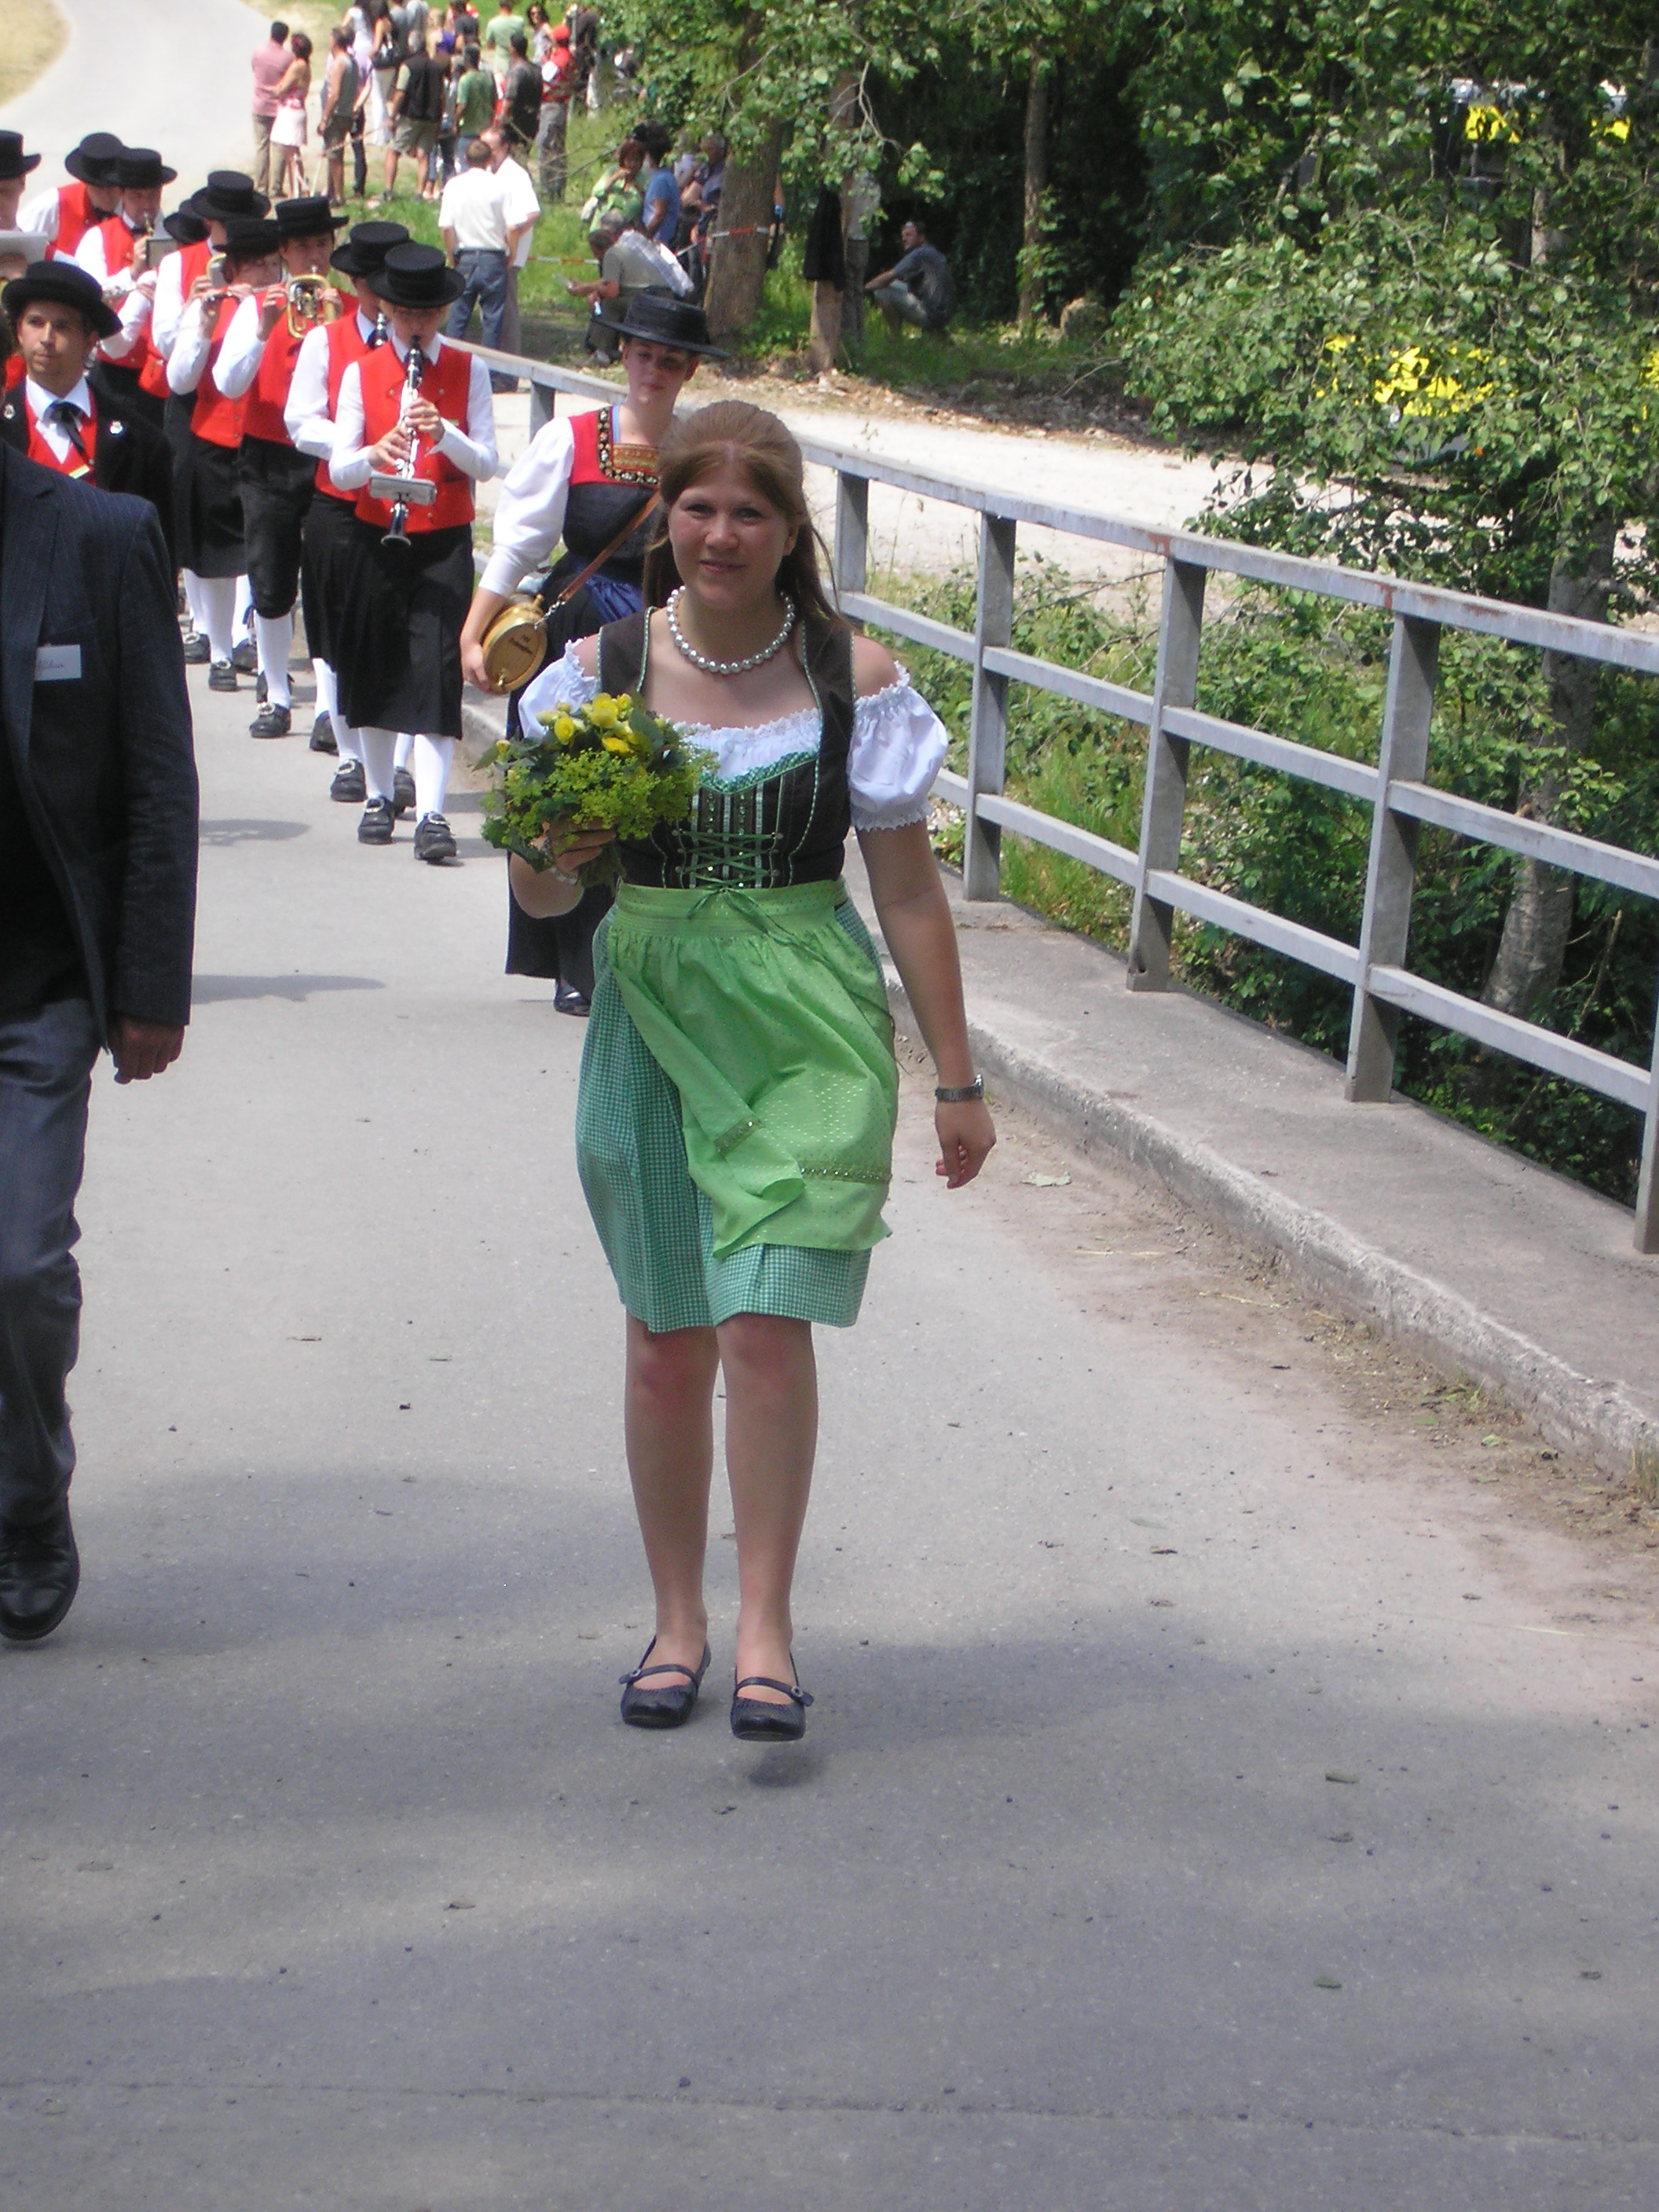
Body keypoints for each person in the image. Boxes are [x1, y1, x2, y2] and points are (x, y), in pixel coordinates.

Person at [508, 401, 994, 1737]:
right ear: (665, 517)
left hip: (805, 1024)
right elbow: (541, 898)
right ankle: (678, 1621)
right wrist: (557, 841)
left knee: (767, 1325)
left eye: (751, 513)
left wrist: (957, 1080)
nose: (721, 535)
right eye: (699, 509)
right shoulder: (595, 674)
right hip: (653, 1017)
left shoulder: (855, 679)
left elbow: (909, 895)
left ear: (790, 533)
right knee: (669, 1340)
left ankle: (768, 1626)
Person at [0, 318, 196, 1648]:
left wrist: (149, 983)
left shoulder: (95, 535)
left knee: (17, 1264)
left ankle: (27, 1495)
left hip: (35, 980)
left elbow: (156, 775)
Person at [460, 292, 712, 1009]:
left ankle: (650, 958)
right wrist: (474, 629)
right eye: (643, 355)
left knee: (656, 796)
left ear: (690, 370)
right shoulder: (571, 439)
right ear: (623, 355)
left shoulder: (698, 452)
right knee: (576, 795)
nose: (654, 371)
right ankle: (575, 961)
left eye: (670, 361)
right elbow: (521, 545)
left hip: (666, 636)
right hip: (582, 640)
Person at [329, 241, 498, 859]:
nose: (416, 324)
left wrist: (443, 432)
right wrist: (374, 454)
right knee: (375, 666)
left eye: (427, 313)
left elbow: (487, 463)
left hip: (443, 538)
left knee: (435, 672)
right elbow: (339, 469)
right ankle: (379, 795)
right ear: (388, 310)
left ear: (444, 312)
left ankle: (431, 813)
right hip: (377, 536)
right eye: (405, 313)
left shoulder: (468, 370)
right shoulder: (362, 372)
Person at [213, 196, 349, 737]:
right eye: (302, 247)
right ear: (284, 253)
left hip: (326, 455)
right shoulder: (257, 307)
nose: (314, 256)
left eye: (322, 244)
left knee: (326, 582)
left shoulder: (350, 309)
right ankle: (275, 692)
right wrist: (263, 329)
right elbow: (228, 383)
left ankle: (327, 706)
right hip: (268, 455)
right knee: (270, 577)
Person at [285, 218, 410, 791]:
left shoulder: (425, 349)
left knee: (403, 632)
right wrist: (358, 442)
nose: (384, 296)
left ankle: (400, 763)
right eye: (374, 283)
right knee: (338, 630)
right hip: (340, 503)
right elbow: (300, 420)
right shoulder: (325, 340)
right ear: (357, 285)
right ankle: (351, 756)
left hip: (407, 504)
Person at [166, 217, 284, 690]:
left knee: (255, 553)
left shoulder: (287, 308)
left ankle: (242, 637)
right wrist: (203, 326)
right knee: (215, 557)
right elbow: (180, 380)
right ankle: (218, 650)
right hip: (212, 439)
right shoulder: (210, 306)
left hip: (263, 443)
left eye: (273, 265)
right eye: (257, 266)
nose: (266, 275)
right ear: (233, 269)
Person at [0, 261, 175, 564]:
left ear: (91, 340)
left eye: (62, 326)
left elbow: (159, 560)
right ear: (19, 330)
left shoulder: (144, 443)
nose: (46, 338)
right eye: (35, 322)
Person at [71, 146, 180, 432]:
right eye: (137, 196)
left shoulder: (176, 236)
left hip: (162, 371)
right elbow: (91, 296)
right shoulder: (97, 238)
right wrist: (131, 274)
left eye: (154, 195)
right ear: (120, 193)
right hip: (114, 372)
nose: (147, 205)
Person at [438, 138, 519, 375]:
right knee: (493, 320)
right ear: (489, 159)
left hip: (464, 255)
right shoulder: (501, 186)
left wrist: (451, 254)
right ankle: (489, 375)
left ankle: (449, 371)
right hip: (493, 257)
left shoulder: (454, 185)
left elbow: (446, 227)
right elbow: (513, 227)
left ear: (466, 159)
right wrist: (512, 252)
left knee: (458, 317)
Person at [569, 210, 674, 363]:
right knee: (610, 302)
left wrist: (589, 289)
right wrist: (593, 288)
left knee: (609, 305)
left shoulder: (612, 255)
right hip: (660, 294)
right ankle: (602, 349)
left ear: (596, 249)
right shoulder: (625, 249)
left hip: (652, 297)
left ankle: (603, 352)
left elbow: (612, 291)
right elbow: (611, 283)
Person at [19, 133, 124, 262]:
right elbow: (18, 238)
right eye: (98, 188)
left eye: (112, 187)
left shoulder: (137, 207)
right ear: (85, 182)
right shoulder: (57, 202)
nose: (106, 195)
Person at [483, 125, 540, 361]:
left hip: (508, 254)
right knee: (491, 312)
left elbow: (532, 213)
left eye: (491, 148)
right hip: (490, 251)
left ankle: (510, 364)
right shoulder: (487, 172)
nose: (487, 153)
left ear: (505, 147)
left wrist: (511, 239)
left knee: (507, 312)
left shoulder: (516, 175)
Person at [384, 29, 447, 200]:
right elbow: (442, 96)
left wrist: (392, 116)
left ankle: (388, 191)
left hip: (410, 117)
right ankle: (419, 193)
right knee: (423, 156)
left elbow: (400, 92)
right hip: (431, 118)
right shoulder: (437, 67)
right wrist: (439, 118)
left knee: (393, 151)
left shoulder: (407, 65)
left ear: (411, 46)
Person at [866, 217, 954, 336]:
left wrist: (863, 289)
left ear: (921, 237)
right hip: (944, 312)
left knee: (882, 291)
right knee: (893, 285)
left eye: (909, 235)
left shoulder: (919, 254)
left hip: (931, 314)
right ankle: (939, 335)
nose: (904, 239)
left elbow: (889, 276)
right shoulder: (931, 252)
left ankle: (895, 338)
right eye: (903, 236)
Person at [320, 28, 363, 207]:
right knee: (334, 154)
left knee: (335, 156)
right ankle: (331, 192)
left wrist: (325, 118)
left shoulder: (339, 64)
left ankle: (338, 196)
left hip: (337, 115)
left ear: (336, 41)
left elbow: (334, 94)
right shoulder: (352, 62)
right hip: (347, 114)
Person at [269, 32, 314, 201]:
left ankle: (297, 188)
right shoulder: (304, 65)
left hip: (291, 112)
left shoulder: (298, 66)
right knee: (291, 153)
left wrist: (275, 91)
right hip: (295, 110)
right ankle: (295, 187)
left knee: (291, 154)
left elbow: (282, 87)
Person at [251, 20, 292, 196]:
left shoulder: (258, 52)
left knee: (262, 147)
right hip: (278, 107)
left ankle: (261, 187)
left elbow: (254, 69)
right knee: (279, 147)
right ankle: (276, 187)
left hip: (259, 105)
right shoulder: (288, 58)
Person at [534, 22, 573, 201]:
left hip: (551, 106)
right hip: (562, 106)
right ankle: (558, 189)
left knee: (545, 145)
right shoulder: (569, 57)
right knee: (558, 148)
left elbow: (543, 78)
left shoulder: (558, 60)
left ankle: (548, 188)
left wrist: (545, 61)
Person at [580, 136, 643, 231]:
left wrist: (640, 190)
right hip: (601, 225)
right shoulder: (612, 171)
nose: (633, 164)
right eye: (629, 160)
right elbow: (597, 192)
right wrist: (614, 178)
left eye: (636, 160)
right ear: (623, 160)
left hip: (626, 229)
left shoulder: (644, 179)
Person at [633, 120, 679, 249]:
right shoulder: (658, 177)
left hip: (658, 243)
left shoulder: (661, 180)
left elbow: (659, 214)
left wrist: (644, 238)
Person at [453, 42, 498, 168]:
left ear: (465, 60)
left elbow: (462, 105)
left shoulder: (465, 80)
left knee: (465, 167)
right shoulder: (487, 79)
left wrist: (455, 123)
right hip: (485, 131)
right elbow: (494, 100)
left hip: (468, 131)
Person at [500, 31, 543, 156]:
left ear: (513, 48)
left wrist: (502, 121)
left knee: (512, 157)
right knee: (523, 155)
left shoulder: (517, 70)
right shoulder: (536, 69)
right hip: (532, 121)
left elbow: (510, 99)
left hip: (517, 123)